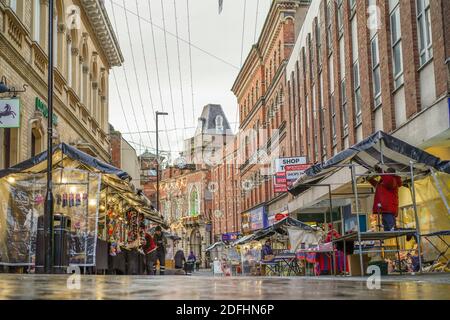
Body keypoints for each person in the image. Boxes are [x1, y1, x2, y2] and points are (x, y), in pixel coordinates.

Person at [368, 166, 402, 231]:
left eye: (387, 172)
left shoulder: (392, 180)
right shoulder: (384, 182)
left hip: (388, 208)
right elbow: (377, 185)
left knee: (391, 229)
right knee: (388, 229)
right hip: (385, 208)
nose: (386, 173)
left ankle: (409, 232)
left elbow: (388, 180)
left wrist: (380, 171)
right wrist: (370, 179)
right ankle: (408, 232)